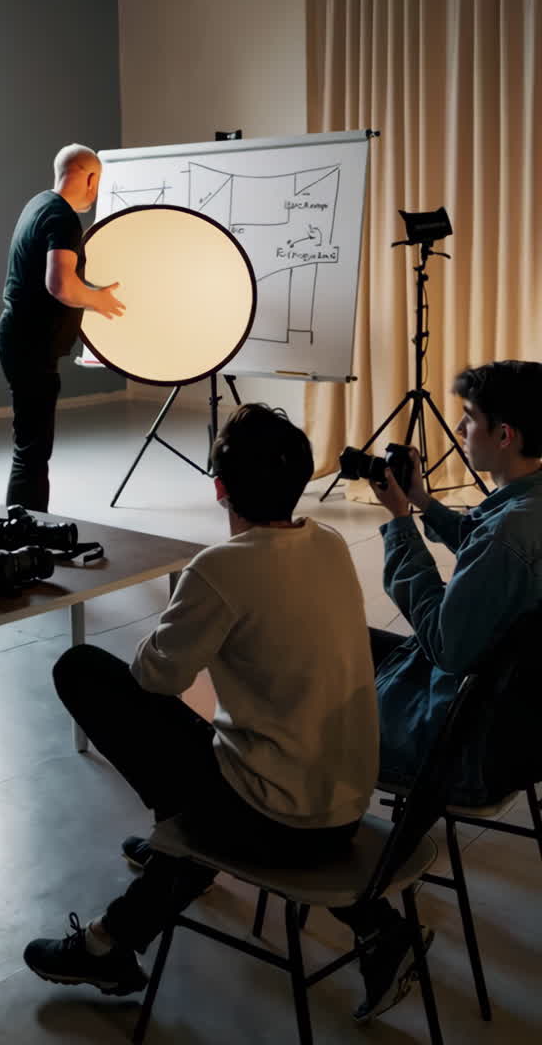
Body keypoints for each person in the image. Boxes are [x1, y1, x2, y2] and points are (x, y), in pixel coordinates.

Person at [23, 404, 432, 1023]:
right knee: (208, 744)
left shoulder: (218, 570)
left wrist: (169, 628)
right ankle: (151, 895)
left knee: (82, 670)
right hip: (345, 803)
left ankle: (132, 909)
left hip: (273, 818)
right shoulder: (327, 543)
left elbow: (156, 677)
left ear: (219, 488)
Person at [369, 360, 542, 805]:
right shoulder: (528, 508)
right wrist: (423, 500)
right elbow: (484, 546)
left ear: (504, 435)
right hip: (518, 720)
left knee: (321, 655)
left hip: (460, 740)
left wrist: (400, 522)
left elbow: (446, 647)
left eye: (469, 417)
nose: (460, 428)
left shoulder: (507, 537)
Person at [0, 144, 124, 512]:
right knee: (33, 451)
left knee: (30, 447)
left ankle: (23, 530)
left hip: (20, 340)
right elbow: (61, 285)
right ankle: (25, 536)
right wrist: (98, 300)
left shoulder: (38, 204)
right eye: (97, 182)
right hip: (31, 346)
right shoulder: (63, 218)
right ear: (89, 177)